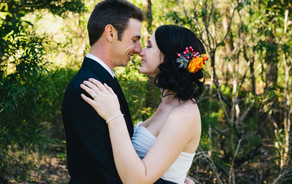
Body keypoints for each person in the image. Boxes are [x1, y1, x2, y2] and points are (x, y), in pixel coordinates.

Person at [62, 0, 175, 184]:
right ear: (111, 33)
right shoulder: (86, 88)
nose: (139, 49)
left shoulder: (103, 79)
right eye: (134, 40)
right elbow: (113, 171)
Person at [80, 25, 208, 184]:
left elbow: (138, 181)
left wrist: (114, 115)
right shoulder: (168, 105)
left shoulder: (183, 115)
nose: (141, 52)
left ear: (168, 56)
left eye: (149, 46)